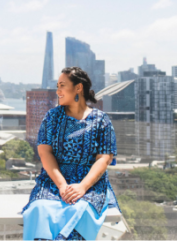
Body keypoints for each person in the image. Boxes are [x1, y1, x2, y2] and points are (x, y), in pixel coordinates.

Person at [22, 67, 121, 240]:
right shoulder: (52, 117)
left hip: (90, 183)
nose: (57, 91)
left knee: (78, 209)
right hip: (53, 181)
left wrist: (82, 187)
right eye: (57, 86)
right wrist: (61, 186)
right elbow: (45, 154)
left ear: (78, 88)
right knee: (39, 208)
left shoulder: (101, 120)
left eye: (62, 85)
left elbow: (104, 158)